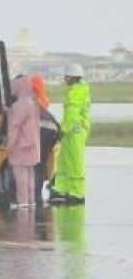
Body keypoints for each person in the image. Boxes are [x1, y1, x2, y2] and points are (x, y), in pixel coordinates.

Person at [52, 63, 91, 206]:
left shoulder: (75, 93)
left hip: (74, 132)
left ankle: (77, 193)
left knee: (74, 163)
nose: (65, 79)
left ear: (71, 77)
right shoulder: (81, 90)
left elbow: (72, 115)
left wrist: (63, 130)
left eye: (66, 77)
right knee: (66, 161)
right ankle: (64, 189)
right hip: (75, 133)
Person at [6, 76, 41, 208]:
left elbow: (15, 127)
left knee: (20, 174)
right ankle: (31, 201)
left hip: (22, 145)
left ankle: (22, 201)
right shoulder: (33, 103)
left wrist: (9, 146)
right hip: (33, 144)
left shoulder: (19, 105)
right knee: (30, 172)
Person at [31, 74, 60, 205]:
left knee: (36, 163)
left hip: (42, 128)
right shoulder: (41, 100)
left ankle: (36, 195)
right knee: (41, 162)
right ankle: (41, 191)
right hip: (52, 129)